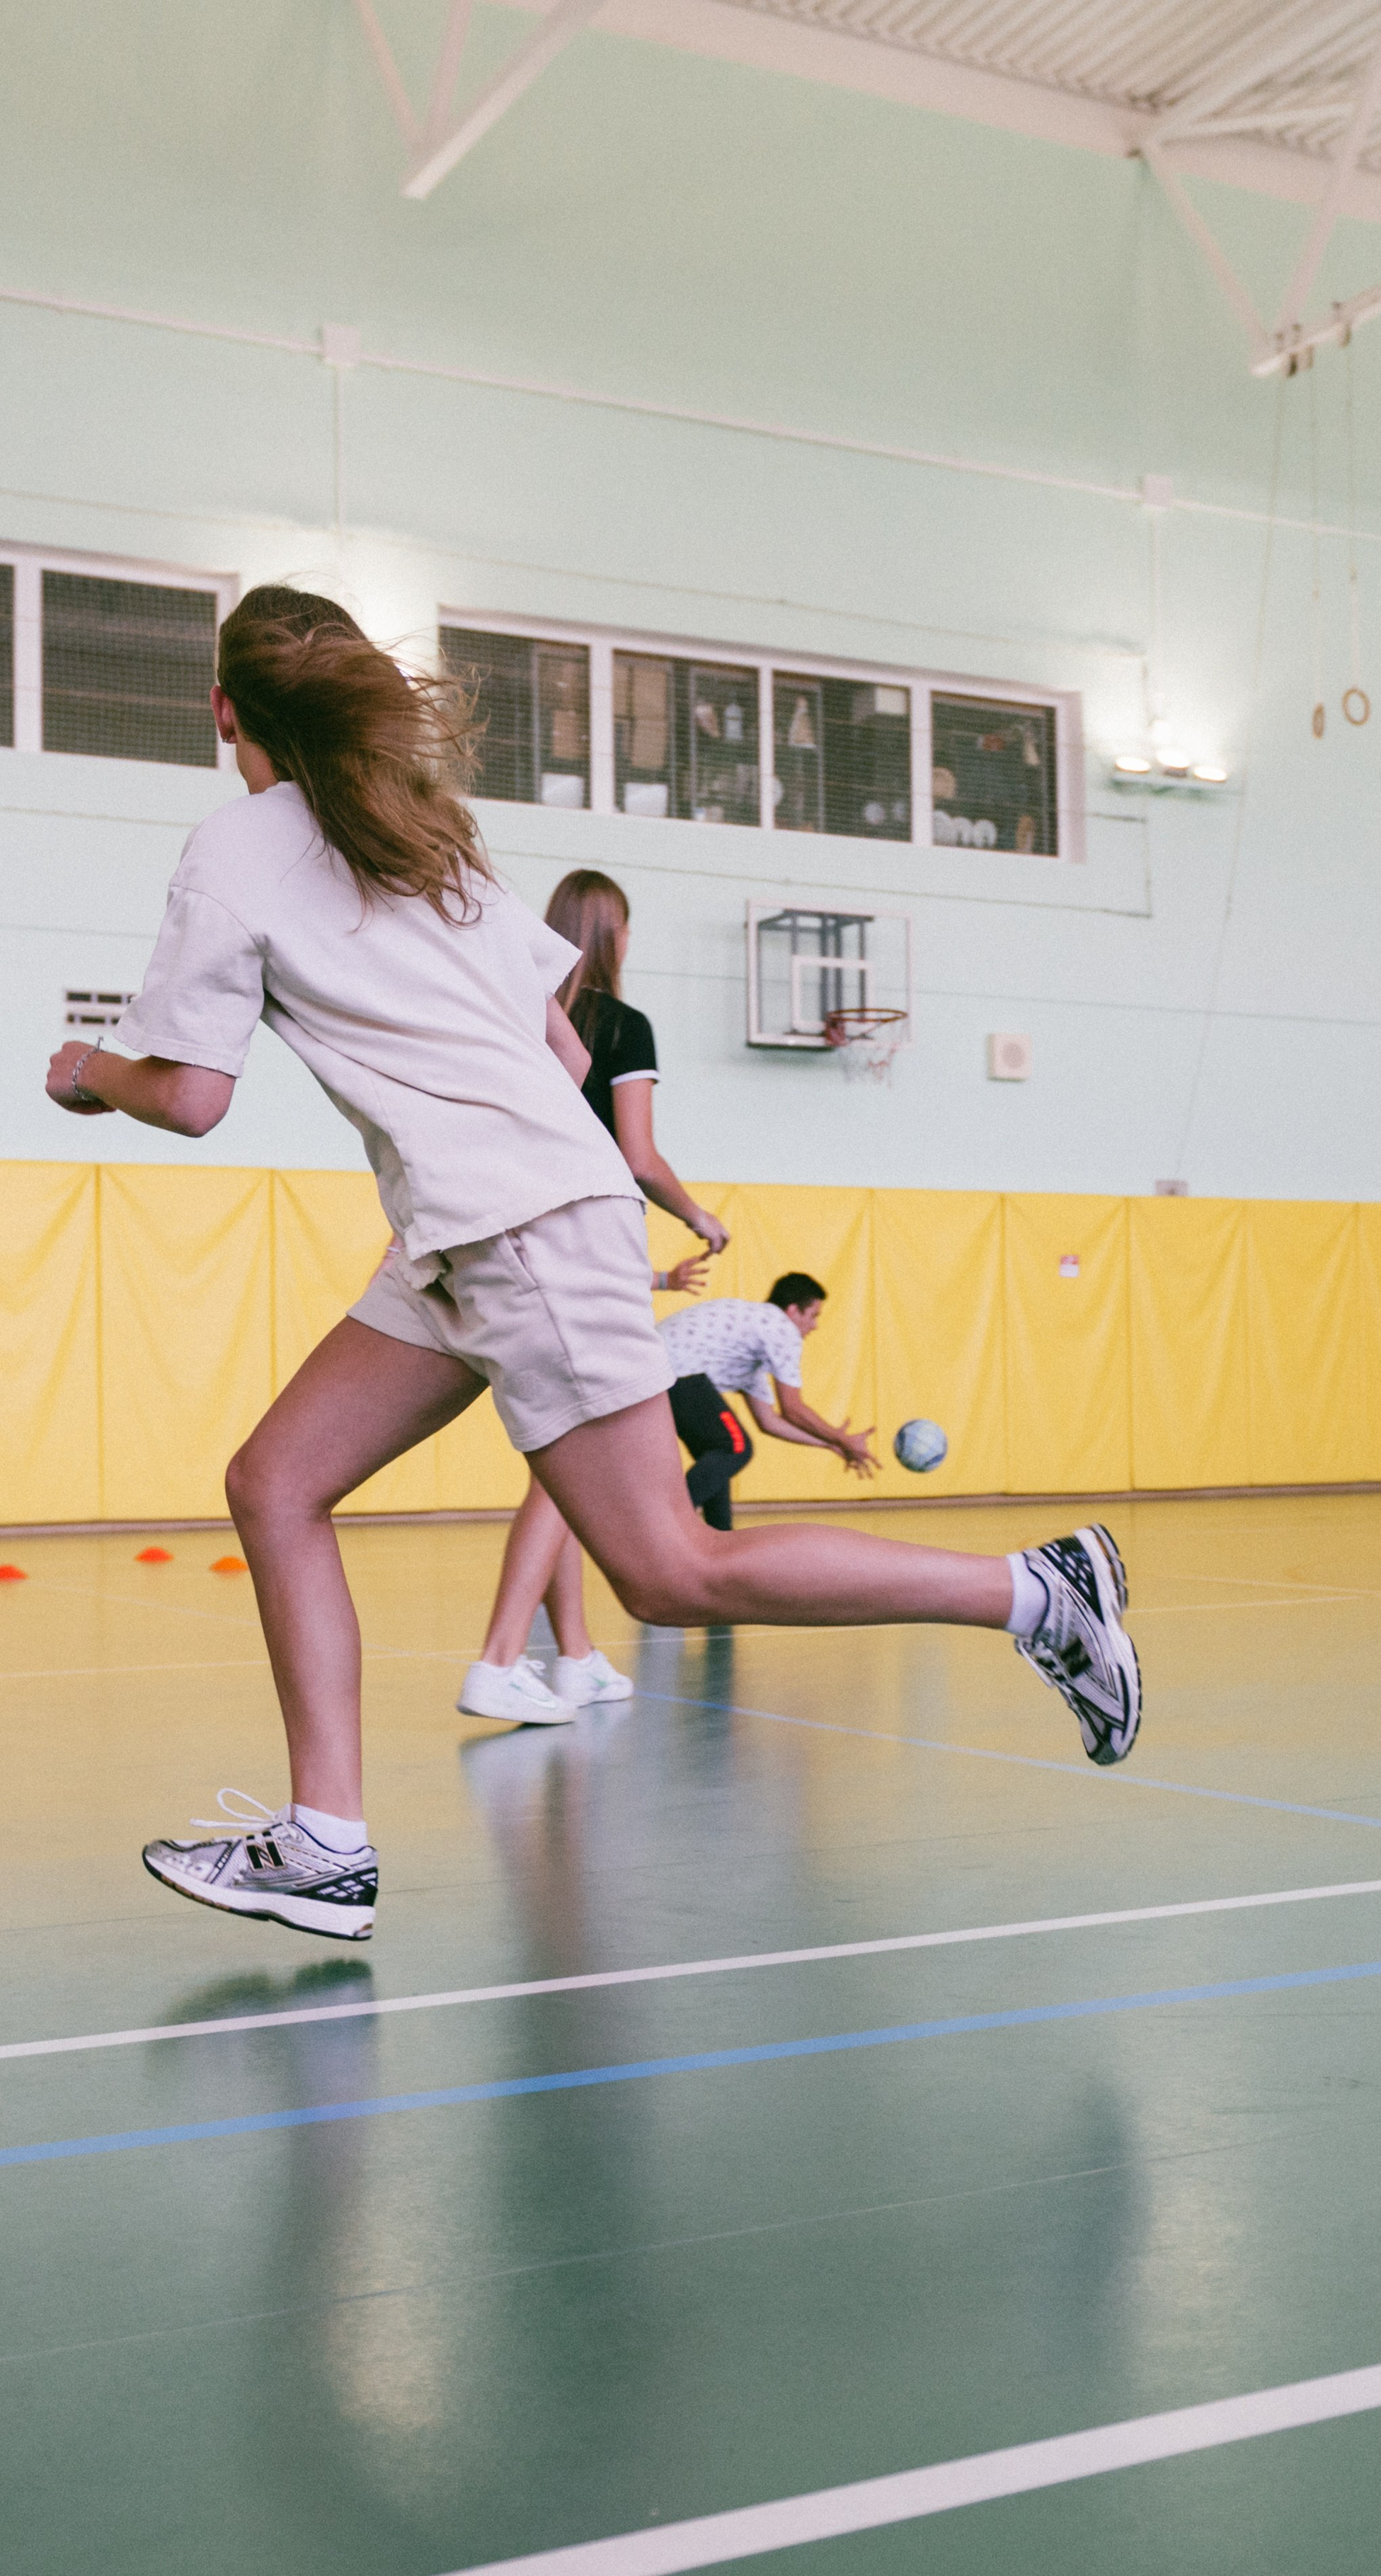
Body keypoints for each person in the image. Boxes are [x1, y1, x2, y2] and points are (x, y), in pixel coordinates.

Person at [45, 587, 1139, 1944]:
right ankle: (325, 1840)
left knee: (671, 1573)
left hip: (514, 1227)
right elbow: (567, 1053)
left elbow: (192, 1096)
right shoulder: (423, 829)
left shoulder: (237, 848)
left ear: (223, 711)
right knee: (275, 1481)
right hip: (471, 1228)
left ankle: (1036, 1591)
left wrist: (88, 1070)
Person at [457, 871, 728, 1729]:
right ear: (616, 936)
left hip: (500, 1236)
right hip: (583, 1241)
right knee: (577, 1463)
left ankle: (574, 1657)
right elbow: (639, 1156)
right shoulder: (620, 1025)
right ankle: (501, 1658)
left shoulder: (512, 1015)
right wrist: (697, 1214)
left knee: (559, 1459)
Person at [660, 1270, 876, 1530]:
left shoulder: (751, 1348)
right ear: (793, 1311)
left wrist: (830, 1444)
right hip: (673, 1370)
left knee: (719, 1457)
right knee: (735, 1448)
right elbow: (792, 1409)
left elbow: (769, 1422)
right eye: (813, 1315)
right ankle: (664, 1526)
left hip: (653, 1370)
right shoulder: (780, 1327)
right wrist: (842, 1438)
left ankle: (721, 1538)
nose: (815, 1326)